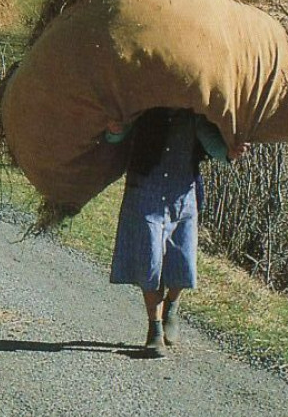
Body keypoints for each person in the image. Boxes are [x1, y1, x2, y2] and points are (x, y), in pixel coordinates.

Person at [104, 107, 245, 357]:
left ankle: (171, 304)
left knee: (182, 262)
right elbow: (118, 134)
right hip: (145, 192)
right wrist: (114, 131)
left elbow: (214, 147)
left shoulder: (194, 115)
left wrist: (230, 153)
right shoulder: (143, 106)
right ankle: (154, 330)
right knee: (150, 262)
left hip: (183, 196)